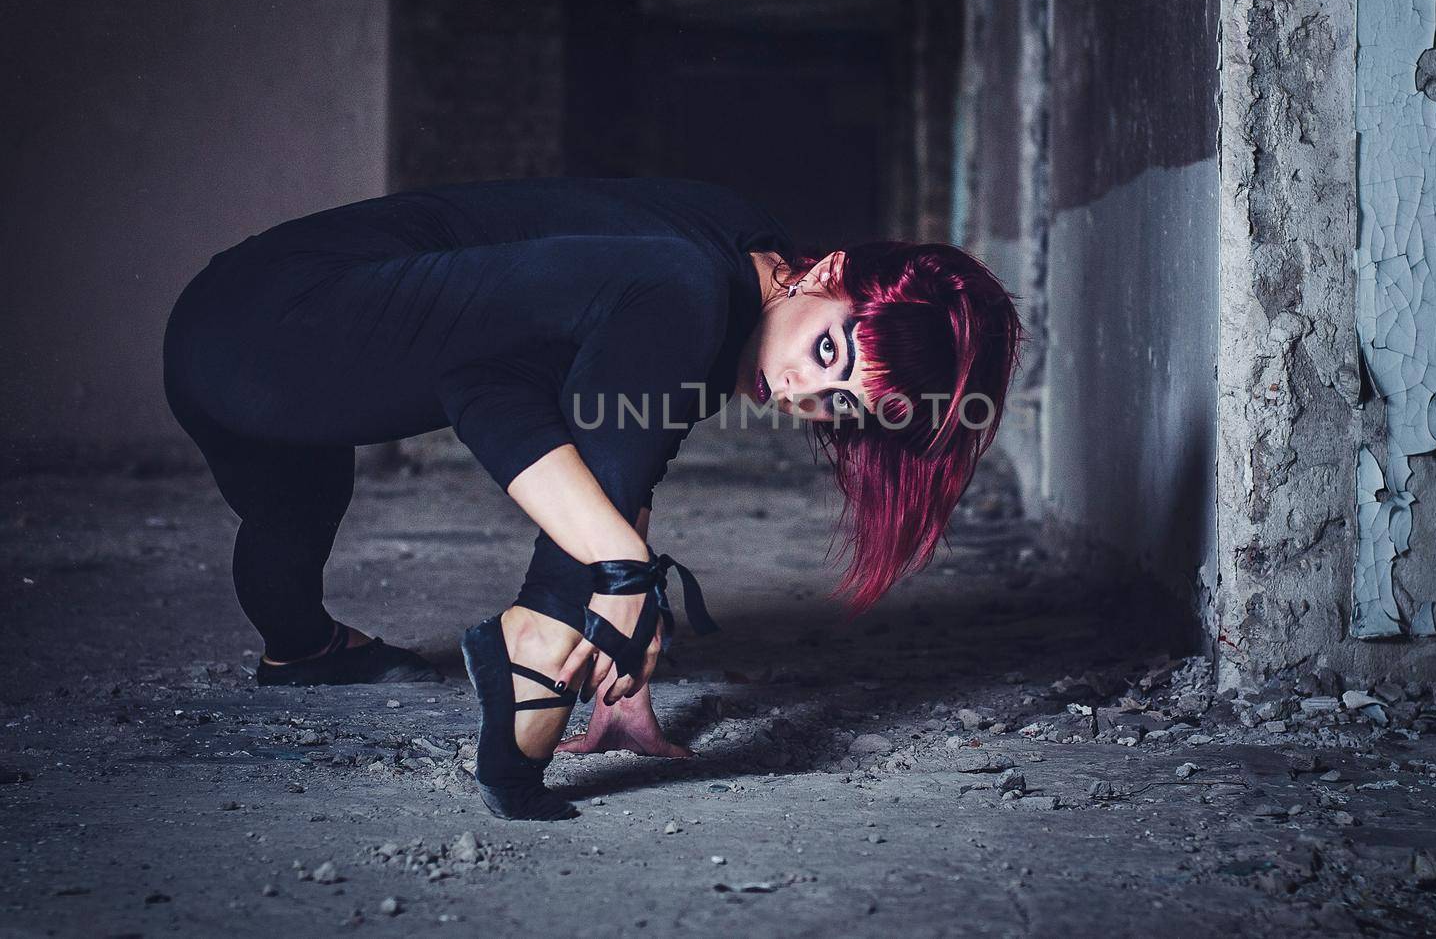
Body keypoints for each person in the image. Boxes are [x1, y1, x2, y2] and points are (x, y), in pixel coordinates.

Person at [162, 177, 1024, 820]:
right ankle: (533, 638)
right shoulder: (685, 281)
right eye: (833, 353)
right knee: (670, 299)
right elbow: (482, 385)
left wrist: (619, 671)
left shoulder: (733, 265)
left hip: (228, 344)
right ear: (827, 272)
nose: (803, 391)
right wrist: (614, 572)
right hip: (279, 319)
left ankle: (303, 651)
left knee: (292, 515)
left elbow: (611, 435)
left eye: (840, 404)